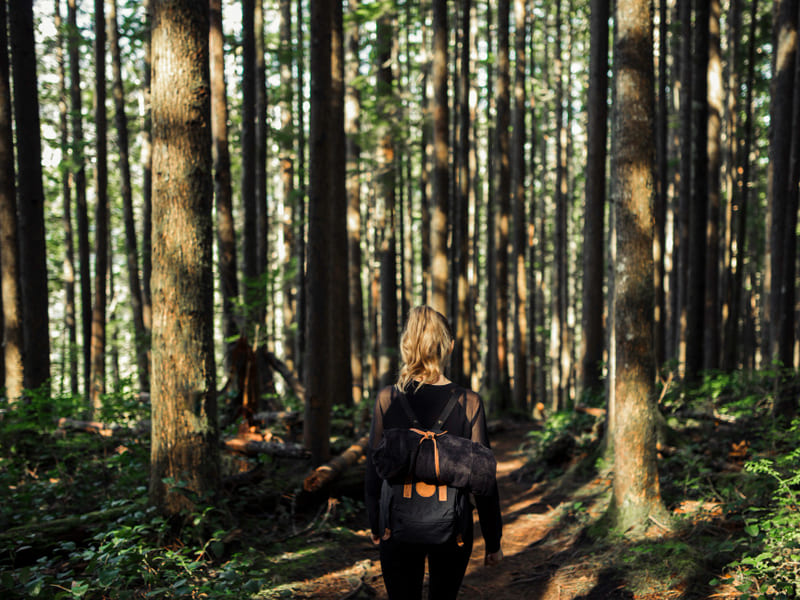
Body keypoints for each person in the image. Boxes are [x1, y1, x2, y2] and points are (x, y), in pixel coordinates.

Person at [365, 305, 504, 600]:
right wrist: (493, 540)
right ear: (449, 346)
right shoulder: (469, 402)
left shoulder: (387, 398)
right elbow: (483, 479)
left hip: (396, 526)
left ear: (406, 345)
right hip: (453, 529)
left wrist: (374, 521)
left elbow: (373, 467)